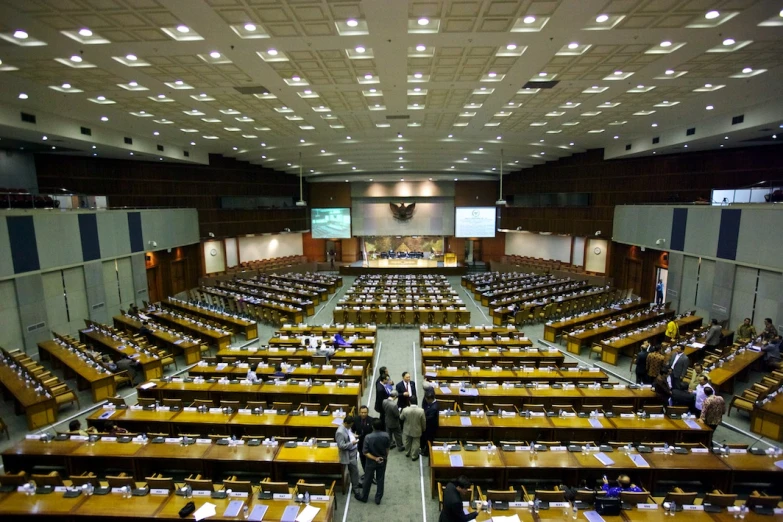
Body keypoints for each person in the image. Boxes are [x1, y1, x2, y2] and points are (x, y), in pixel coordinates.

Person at [355, 419, 390, 505]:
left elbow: (365, 452)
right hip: (382, 460)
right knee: (380, 479)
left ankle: (364, 497)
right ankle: (378, 499)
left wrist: (375, 458)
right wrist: (384, 458)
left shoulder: (368, 437)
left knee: (367, 479)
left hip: (371, 462)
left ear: (372, 427)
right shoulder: (386, 436)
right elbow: (387, 449)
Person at [335, 415, 362, 493]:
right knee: (354, 470)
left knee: (355, 470)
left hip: (353, 451)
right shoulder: (340, 432)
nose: (351, 426)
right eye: (350, 425)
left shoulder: (347, 427)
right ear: (346, 423)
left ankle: (356, 482)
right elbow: (341, 445)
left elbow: (349, 433)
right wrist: (352, 443)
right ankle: (355, 488)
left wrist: (354, 436)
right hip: (348, 454)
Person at [352, 406, 375, 479]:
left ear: (367, 413)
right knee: (363, 459)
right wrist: (353, 435)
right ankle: (366, 473)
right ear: (359, 412)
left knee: (371, 461)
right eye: (362, 412)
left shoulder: (371, 420)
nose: (363, 414)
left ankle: (371, 476)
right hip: (360, 444)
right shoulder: (355, 419)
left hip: (370, 445)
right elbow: (351, 430)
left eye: (365, 412)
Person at [420, 391, 439, 458]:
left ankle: (427, 452)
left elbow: (429, 418)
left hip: (431, 427)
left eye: (427, 400)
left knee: (429, 440)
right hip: (429, 425)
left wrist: (422, 417)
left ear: (430, 399)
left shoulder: (434, 407)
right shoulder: (433, 403)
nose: (426, 401)